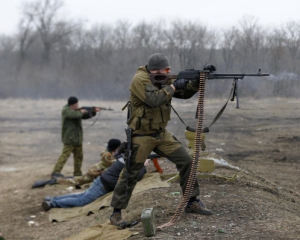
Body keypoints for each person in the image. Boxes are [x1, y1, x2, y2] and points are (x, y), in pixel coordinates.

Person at [109, 53, 212, 228]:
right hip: (141, 136)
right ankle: (116, 213)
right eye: (166, 69)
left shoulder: (161, 78)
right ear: (155, 70)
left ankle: (191, 201)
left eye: (169, 69)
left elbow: (185, 93)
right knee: (131, 172)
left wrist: (197, 80)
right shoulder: (140, 80)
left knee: (186, 160)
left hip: (160, 133)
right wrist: (172, 86)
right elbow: (154, 99)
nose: (169, 71)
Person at [42, 155, 150, 210]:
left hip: (101, 181)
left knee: (81, 195)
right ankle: (52, 203)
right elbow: (136, 176)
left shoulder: (125, 157)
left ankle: (52, 199)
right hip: (103, 185)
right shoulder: (130, 163)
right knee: (82, 200)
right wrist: (143, 167)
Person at [32, 139, 121, 188]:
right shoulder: (108, 155)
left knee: (76, 179)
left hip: (95, 173)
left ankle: (61, 179)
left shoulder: (109, 153)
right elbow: (114, 165)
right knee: (74, 182)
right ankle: (52, 181)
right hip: (93, 174)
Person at [51, 96, 101, 178]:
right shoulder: (66, 110)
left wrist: (93, 111)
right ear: (72, 104)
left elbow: (84, 116)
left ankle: (77, 173)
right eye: (76, 104)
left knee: (79, 157)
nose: (77, 105)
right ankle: (56, 172)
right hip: (70, 138)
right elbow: (73, 115)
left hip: (77, 139)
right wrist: (82, 111)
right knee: (64, 156)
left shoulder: (77, 111)